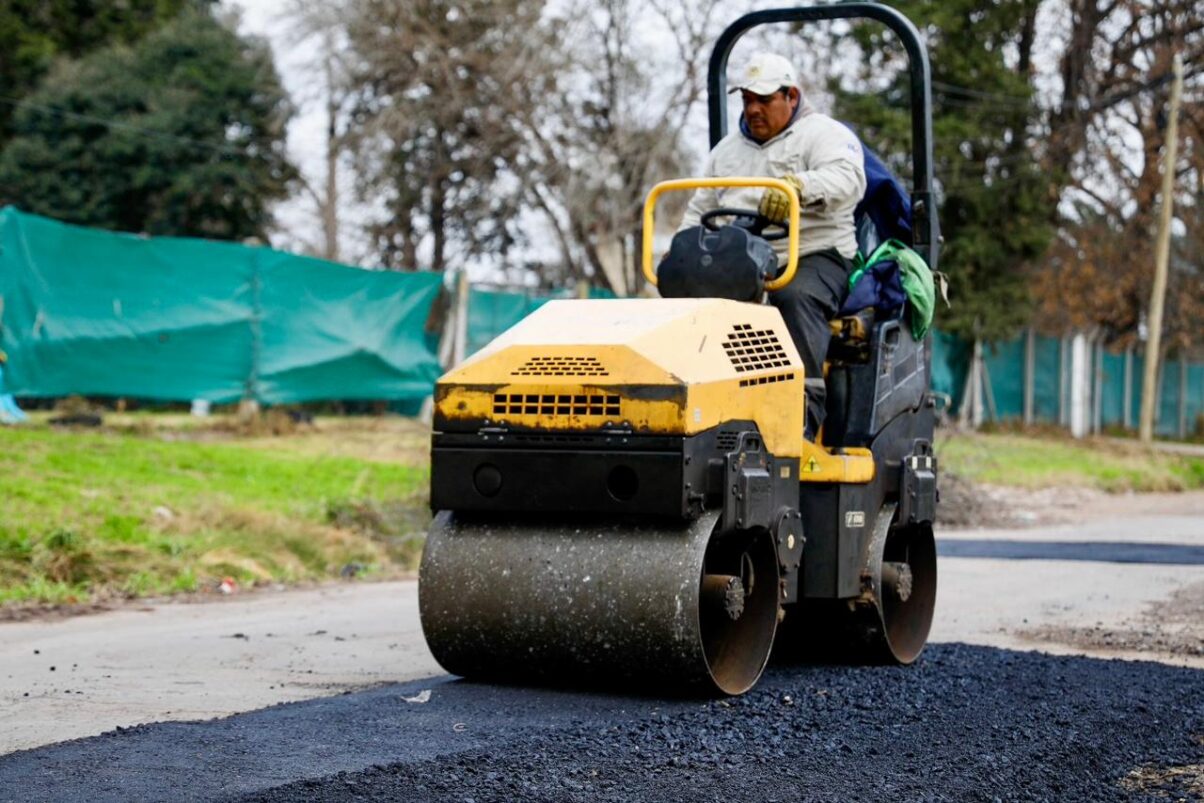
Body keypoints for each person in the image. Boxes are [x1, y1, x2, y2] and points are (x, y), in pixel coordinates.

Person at [679, 52, 866, 441]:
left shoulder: (824, 135)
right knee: (692, 306)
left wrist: (799, 186)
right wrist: (680, 250)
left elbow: (848, 179)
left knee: (793, 297)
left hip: (814, 253)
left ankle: (799, 417)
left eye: (763, 100)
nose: (753, 109)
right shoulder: (726, 152)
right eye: (747, 100)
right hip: (741, 258)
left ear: (791, 96)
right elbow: (700, 207)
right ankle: (696, 410)